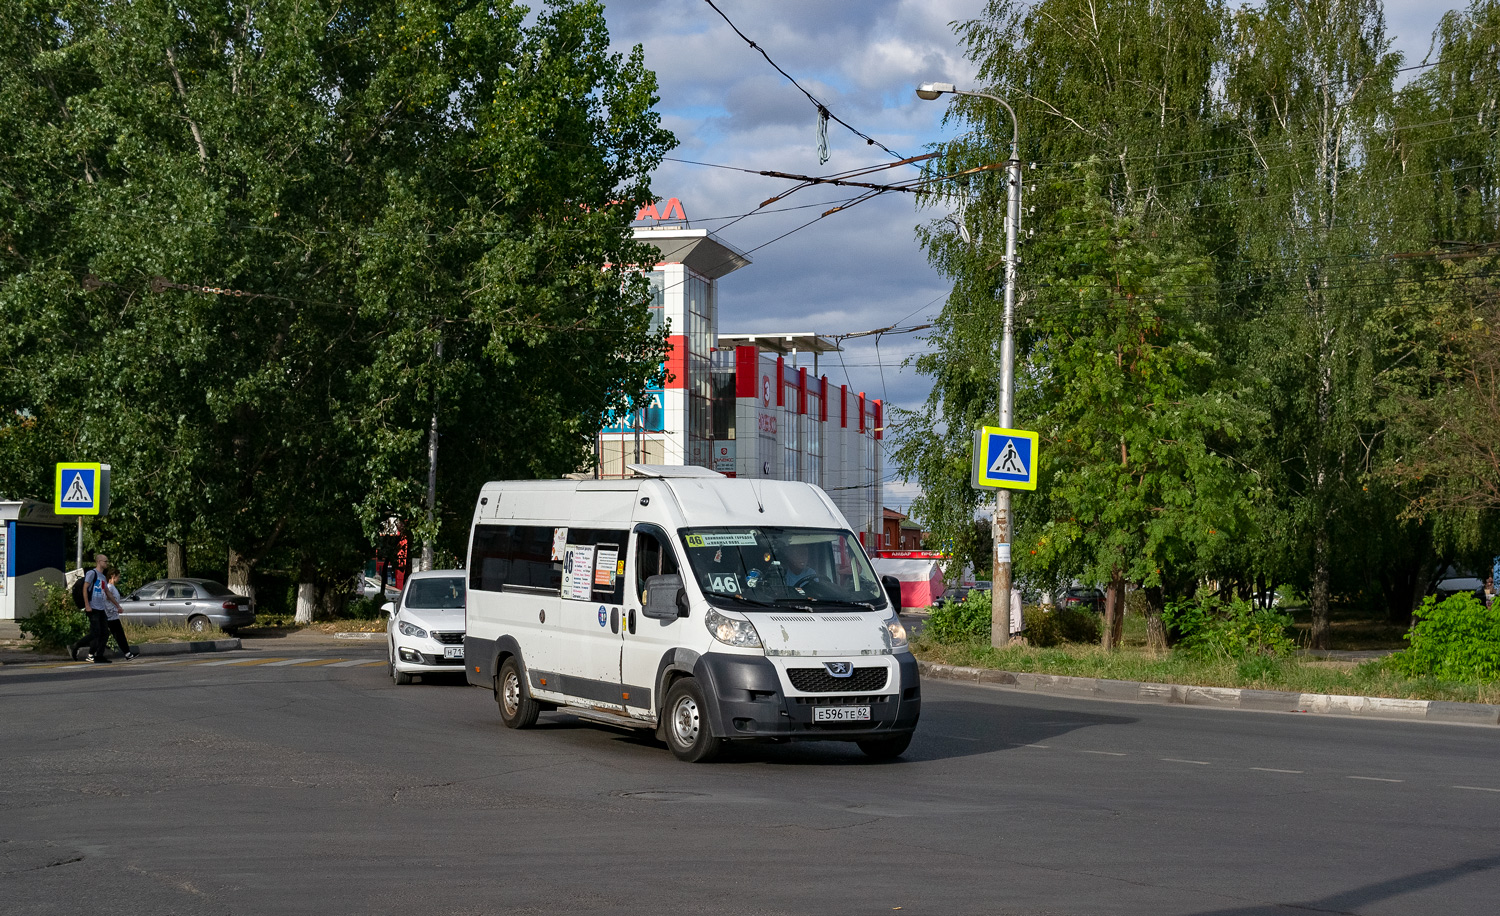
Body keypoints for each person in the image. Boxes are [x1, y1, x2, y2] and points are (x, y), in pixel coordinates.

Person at [71, 553, 110, 663]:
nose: (107, 563)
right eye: (105, 561)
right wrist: (87, 605)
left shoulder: (103, 577)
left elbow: (106, 592)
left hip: (101, 608)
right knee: (95, 633)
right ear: (99, 562)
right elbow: (85, 588)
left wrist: (117, 604)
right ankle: (77, 645)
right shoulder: (92, 573)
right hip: (92, 608)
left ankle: (98, 655)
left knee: (104, 633)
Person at [100, 567, 136, 660]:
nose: (119, 578)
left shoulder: (113, 587)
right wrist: (114, 609)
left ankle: (127, 653)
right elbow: (106, 601)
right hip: (110, 616)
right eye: (118, 576)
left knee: (118, 634)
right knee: (117, 634)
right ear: (112, 576)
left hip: (113, 616)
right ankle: (127, 653)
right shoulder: (109, 587)